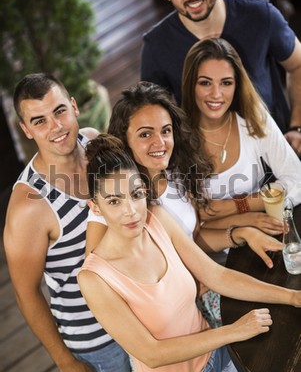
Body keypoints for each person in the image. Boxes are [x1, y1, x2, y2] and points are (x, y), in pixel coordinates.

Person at [77, 133, 301, 372]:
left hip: (219, 366)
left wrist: (291, 297)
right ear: (95, 207)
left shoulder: (155, 218)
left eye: (135, 195)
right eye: (114, 201)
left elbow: (216, 275)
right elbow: (151, 353)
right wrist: (233, 331)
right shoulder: (93, 278)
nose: (131, 211)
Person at [85, 81, 284, 327]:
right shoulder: (112, 204)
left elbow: (192, 238)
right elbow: (104, 280)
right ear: (124, 140)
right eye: (145, 134)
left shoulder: (175, 175)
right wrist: (185, 281)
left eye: (165, 131)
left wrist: (241, 233)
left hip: (206, 283)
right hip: (169, 319)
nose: (160, 142)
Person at [3, 73, 131, 372]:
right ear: (26, 130)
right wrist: (64, 361)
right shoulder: (29, 206)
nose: (56, 126)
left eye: (60, 111)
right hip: (97, 340)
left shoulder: (94, 143)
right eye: (40, 121)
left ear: (74, 107)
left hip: (140, 311)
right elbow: (25, 292)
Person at [141, 0, 301, 155]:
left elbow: (298, 64)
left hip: (280, 149)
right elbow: (152, 116)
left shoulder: (260, 15)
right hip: (214, 170)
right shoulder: (156, 47)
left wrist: (297, 127)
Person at [181, 37, 301, 232]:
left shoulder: (253, 119)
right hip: (207, 253)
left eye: (226, 83)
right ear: (190, 85)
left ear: (237, 85)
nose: (216, 94)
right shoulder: (176, 136)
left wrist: (236, 206)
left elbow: (297, 181)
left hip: (260, 233)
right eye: (205, 83)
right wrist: (248, 219)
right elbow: (192, 224)